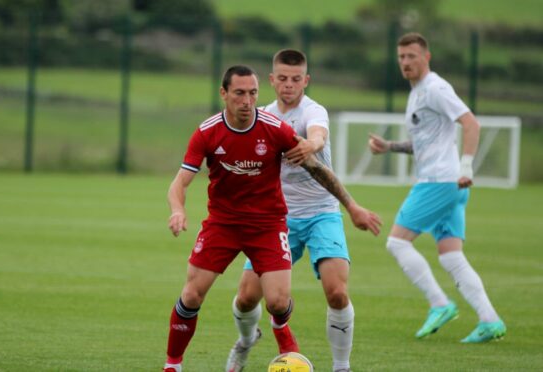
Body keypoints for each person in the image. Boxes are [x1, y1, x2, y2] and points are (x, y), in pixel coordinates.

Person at [163, 65, 374, 372]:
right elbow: (179, 183)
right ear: (223, 94)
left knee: (277, 302)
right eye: (239, 93)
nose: (247, 101)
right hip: (223, 225)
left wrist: (352, 206)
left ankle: (281, 329)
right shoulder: (207, 132)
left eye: (252, 93)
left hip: (268, 225)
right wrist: (178, 210)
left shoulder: (274, 128)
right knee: (192, 294)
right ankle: (173, 365)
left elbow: (316, 167)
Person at [224, 50, 381, 372]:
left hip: (322, 213)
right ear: (271, 80)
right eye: (282, 78)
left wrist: (313, 144)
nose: (289, 85)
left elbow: (318, 134)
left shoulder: (314, 111)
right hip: (275, 220)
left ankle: (341, 367)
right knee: (246, 299)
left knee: (337, 292)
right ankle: (246, 340)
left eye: (296, 79)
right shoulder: (262, 115)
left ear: (305, 81)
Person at [367, 32, 506, 343]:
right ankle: (490, 320)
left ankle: (439, 303)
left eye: (411, 56)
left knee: (397, 243)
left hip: (440, 182)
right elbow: (423, 143)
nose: (405, 62)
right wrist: (389, 146)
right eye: (401, 57)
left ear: (426, 57)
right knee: (451, 256)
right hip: (449, 184)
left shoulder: (435, 88)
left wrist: (468, 166)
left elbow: (471, 123)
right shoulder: (417, 93)